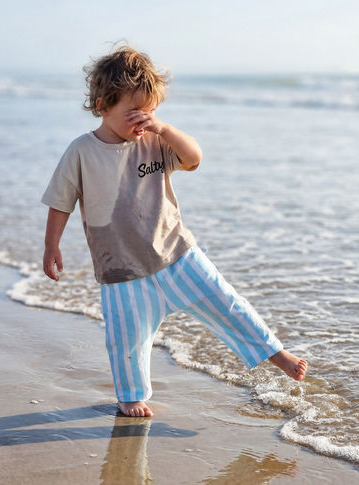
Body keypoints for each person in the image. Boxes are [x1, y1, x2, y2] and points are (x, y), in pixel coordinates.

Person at [41, 44, 307, 418]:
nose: (142, 121)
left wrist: (163, 128)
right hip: (121, 271)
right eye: (133, 113)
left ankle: (275, 353)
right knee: (126, 342)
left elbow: (194, 157)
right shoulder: (81, 151)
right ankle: (131, 396)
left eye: (150, 112)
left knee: (226, 302)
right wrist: (52, 245)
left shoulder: (155, 139)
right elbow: (60, 200)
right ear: (102, 106)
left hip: (177, 255)